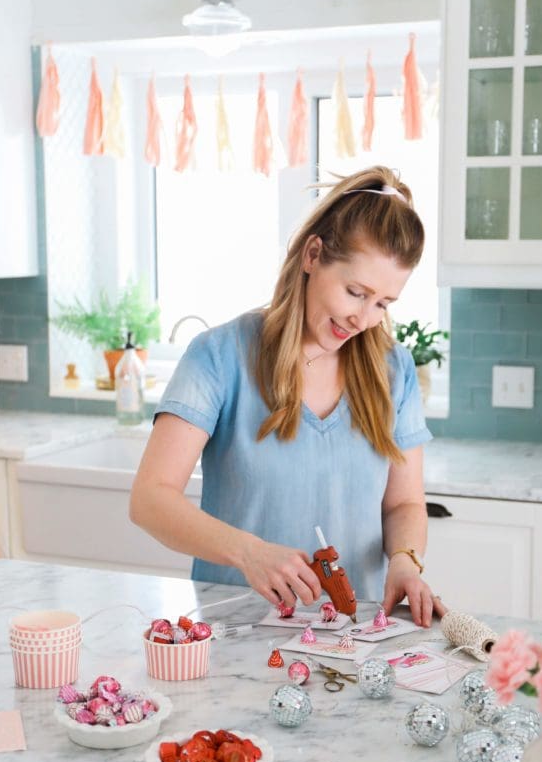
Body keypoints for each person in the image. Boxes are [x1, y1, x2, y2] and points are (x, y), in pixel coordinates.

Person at [130, 165, 444, 627]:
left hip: (352, 641)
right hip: (235, 633)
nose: (364, 318)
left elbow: (403, 504)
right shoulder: (220, 357)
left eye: (383, 304)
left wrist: (404, 560)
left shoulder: (393, 369)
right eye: (355, 292)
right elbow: (150, 499)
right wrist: (249, 553)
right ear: (313, 255)